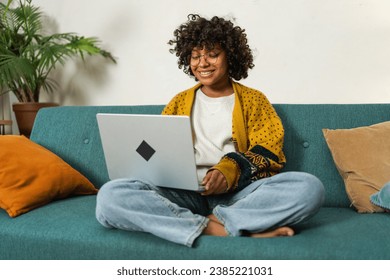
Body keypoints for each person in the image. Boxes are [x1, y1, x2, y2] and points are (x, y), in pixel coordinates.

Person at [96, 14, 325, 247]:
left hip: (239, 195)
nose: (202, 63)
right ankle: (224, 229)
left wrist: (229, 169)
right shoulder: (178, 102)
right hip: (185, 193)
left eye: (213, 55)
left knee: (309, 188)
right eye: (195, 56)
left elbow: (269, 151)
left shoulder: (254, 100)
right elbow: (161, 151)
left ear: (231, 57)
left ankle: (195, 224)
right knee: (110, 196)